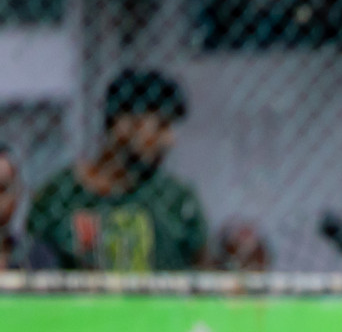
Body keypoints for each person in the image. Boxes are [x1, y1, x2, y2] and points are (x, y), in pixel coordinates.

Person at [26, 69, 207, 271]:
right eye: (160, 126)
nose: (169, 141)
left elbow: (202, 272)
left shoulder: (177, 199)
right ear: (123, 125)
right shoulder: (59, 196)